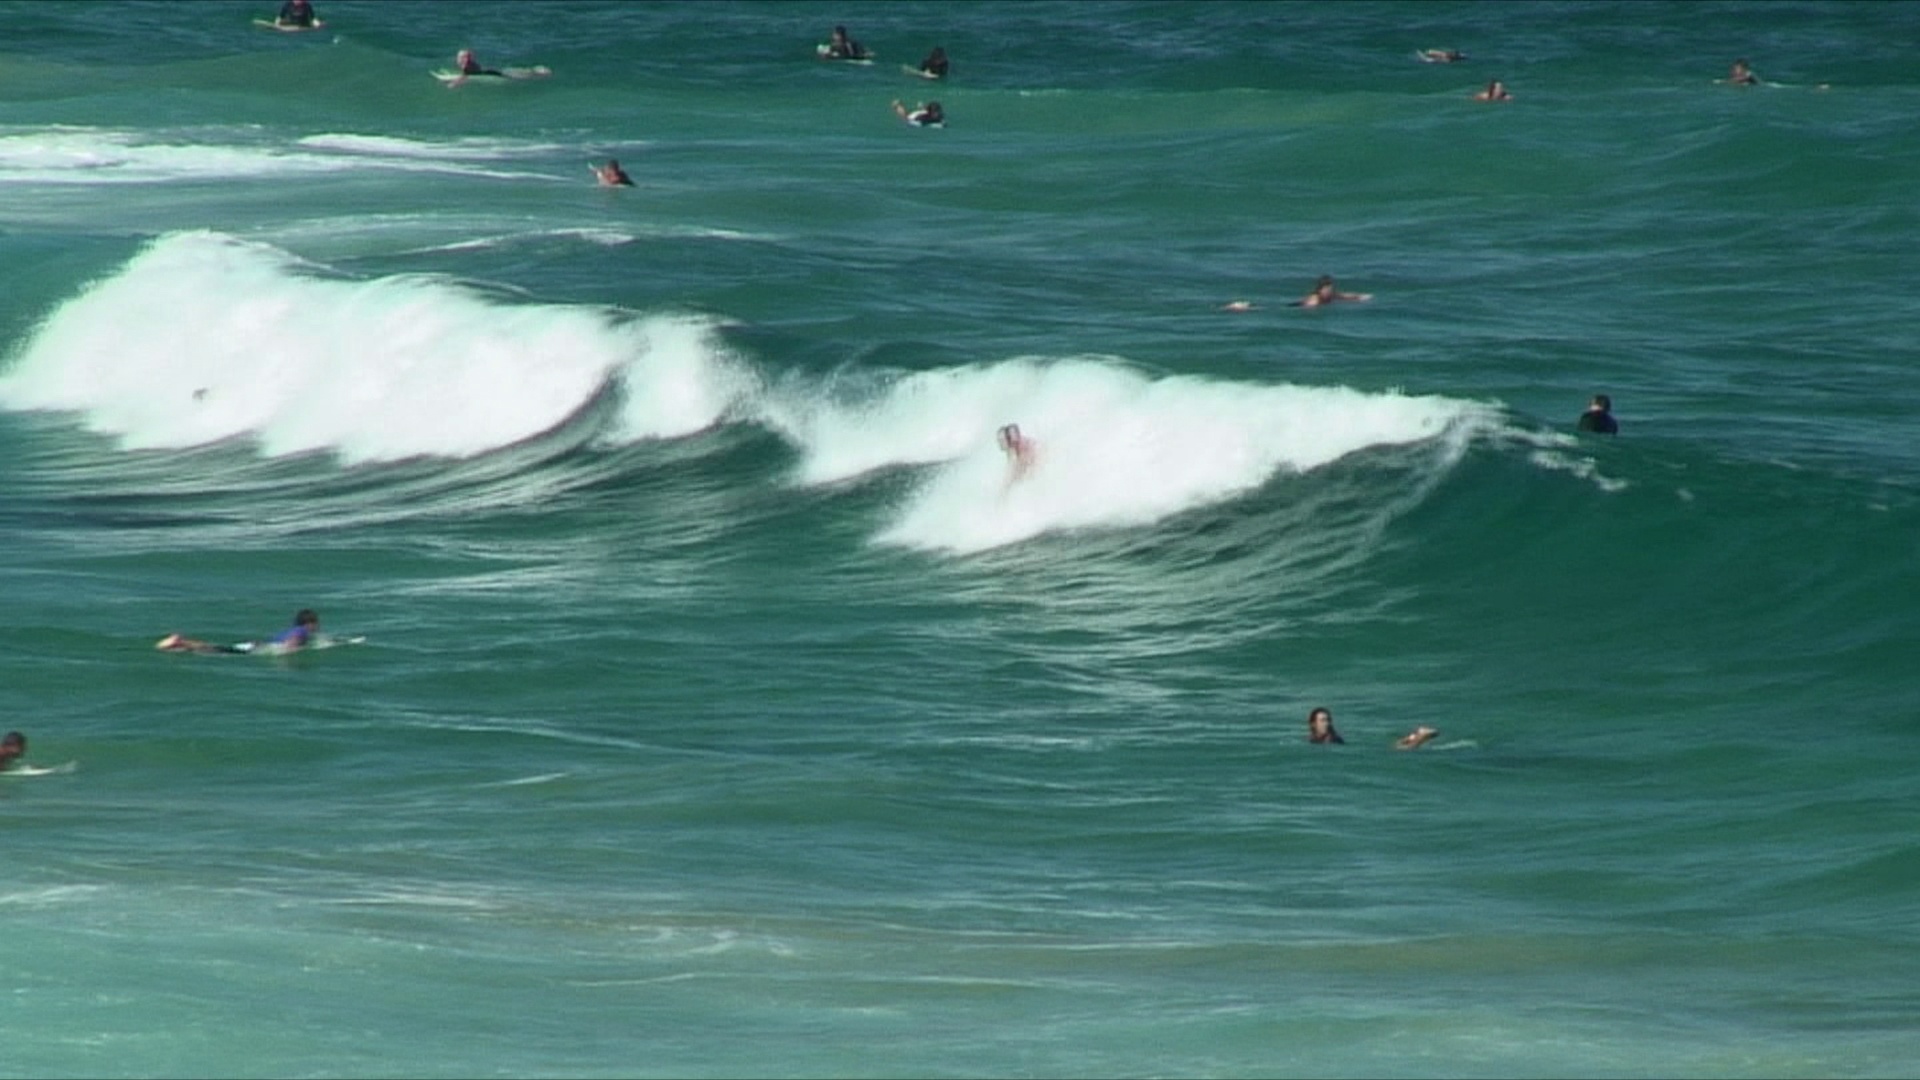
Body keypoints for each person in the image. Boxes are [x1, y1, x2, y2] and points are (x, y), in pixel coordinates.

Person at [157, 609, 321, 656]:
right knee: (216, 650)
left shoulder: (294, 629)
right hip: (255, 648)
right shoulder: (302, 632)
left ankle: (179, 645)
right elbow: (292, 642)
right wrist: (287, 656)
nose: (318, 627)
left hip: (254, 645)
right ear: (309, 623)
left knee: (217, 649)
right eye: (316, 623)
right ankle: (180, 642)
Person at [1292, 274, 1372, 308]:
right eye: (1328, 289)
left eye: (1331, 288)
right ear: (1321, 289)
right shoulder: (1315, 300)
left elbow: (1344, 296)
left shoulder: (1330, 295)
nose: (1330, 291)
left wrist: (1360, 297)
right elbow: (1307, 310)